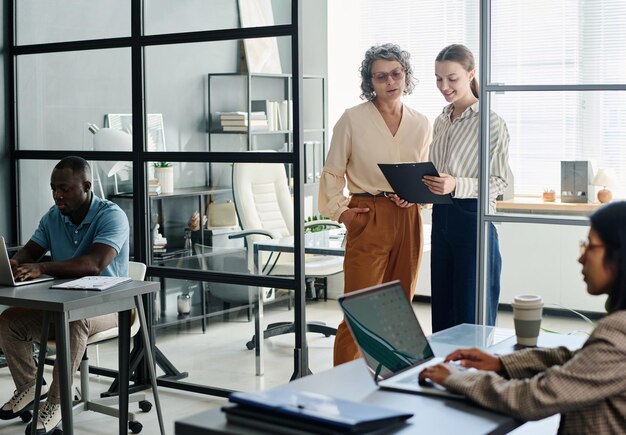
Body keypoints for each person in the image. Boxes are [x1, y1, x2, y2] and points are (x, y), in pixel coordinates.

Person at [418, 201, 626, 434]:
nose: (581, 257)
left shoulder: (618, 332)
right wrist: (502, 363)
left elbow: (533, 397)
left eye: (590, 246)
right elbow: (578, 360)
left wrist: (458, 379)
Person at [319, 43, 432, 366]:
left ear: (406, 76)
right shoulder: (352, 120)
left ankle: (395, 386)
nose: (390, 82)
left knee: (401, 311)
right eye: (380, 76)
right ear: (370, 82)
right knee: (360, 311)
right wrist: (343, 213)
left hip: (408, 218)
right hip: (367, 215)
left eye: (396, 73)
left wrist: (416, 198)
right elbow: (332, 172)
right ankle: (345, 389)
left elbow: (424, 174)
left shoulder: (420, 123)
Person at [0, 156, 130, 435]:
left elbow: (94, 263)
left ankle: (58, 403)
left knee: (73, 322)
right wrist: (14, 263)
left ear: (86, 186)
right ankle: (29, 386)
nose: (58, 195)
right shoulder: (53, 217)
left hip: (111, 306)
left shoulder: (112, 216)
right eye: (53, 189)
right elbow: (29, 253)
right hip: (63, 303)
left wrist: (42, 266)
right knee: (10, 321)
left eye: (65, 189)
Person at [424, 44, 509, 332]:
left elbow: (499, 181)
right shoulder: (441, 121)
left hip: (475, 221)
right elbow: (438, 173)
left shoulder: (491, 122)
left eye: (452, 78)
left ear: (471, 74)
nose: (444, 86)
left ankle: (475, 377)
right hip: (442, 216)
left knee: (472, 313)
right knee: (444, 312)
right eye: (438, 78)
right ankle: (445, 377)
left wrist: (456, 184)